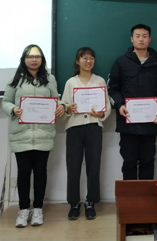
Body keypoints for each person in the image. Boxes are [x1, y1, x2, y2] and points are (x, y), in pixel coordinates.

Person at [1, 44, 64, 228]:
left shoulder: (50, 79)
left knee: (41, 171)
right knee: (23, 172)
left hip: (44, 133)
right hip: (21, 134)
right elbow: (5, 102)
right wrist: (13, 109)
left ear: (42, 59)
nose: (34, 59)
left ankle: (37, 209)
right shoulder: (15, 79)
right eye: (30, 56)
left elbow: (56, 100)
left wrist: (62, 106)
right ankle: (23, 209)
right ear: (24, 59)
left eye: (37, 56)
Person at [108, 23, 157, 180]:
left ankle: (146, 196)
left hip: (150, 123)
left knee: (148, 161)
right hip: (128, 123)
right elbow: (112, 88)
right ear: (131, 39)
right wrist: (119, 105)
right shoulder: (121, 62)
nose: (141, 39)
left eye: (144, 36)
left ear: (149, 39)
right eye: (138, 36)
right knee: (129, 162)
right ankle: (130, 196)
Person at [60, 47, 111, 221]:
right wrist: (69, 108)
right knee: (73, 166)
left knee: (94, 166)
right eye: (84, 58)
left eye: (91, 58)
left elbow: (107, 106)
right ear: (77, 61)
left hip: (94, 127)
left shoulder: (99, 80)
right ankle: (74, 203)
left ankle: (91, 202)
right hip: (74, 128)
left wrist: (101, 113)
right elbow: (63, 106)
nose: (88, 61)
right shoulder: (70, 82)